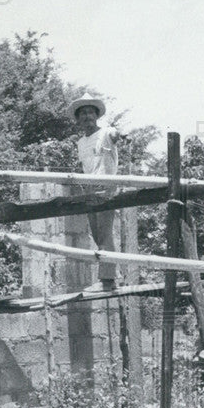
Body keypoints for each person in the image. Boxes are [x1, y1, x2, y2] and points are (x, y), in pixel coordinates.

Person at [70, 92, 119, 290]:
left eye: (91, 113)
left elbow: (117, 134)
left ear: (96, 116)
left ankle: (108, 280)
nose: (87, 117)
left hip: (105, 186)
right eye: (83, 114)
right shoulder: (81, 143)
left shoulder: (107, 133)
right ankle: (111, 275)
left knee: (105, 232)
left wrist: (121, 135)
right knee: (97, 234)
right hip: (89, 189)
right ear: (78, 119)